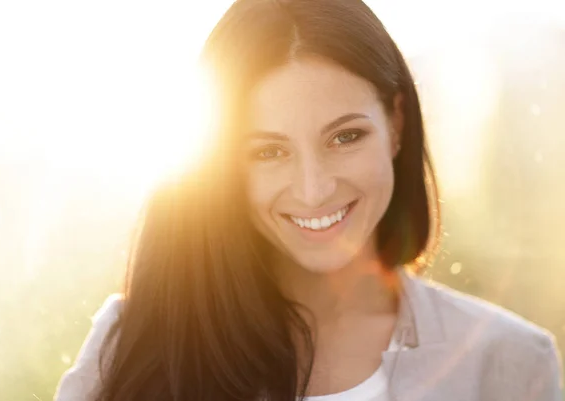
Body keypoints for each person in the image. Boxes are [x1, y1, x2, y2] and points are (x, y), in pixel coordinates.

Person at [54, 0, 563, 400]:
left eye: (345, 138)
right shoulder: (135, 341)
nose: (313, 189)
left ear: (397, 123)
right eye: (270, 151)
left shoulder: (511, 361)